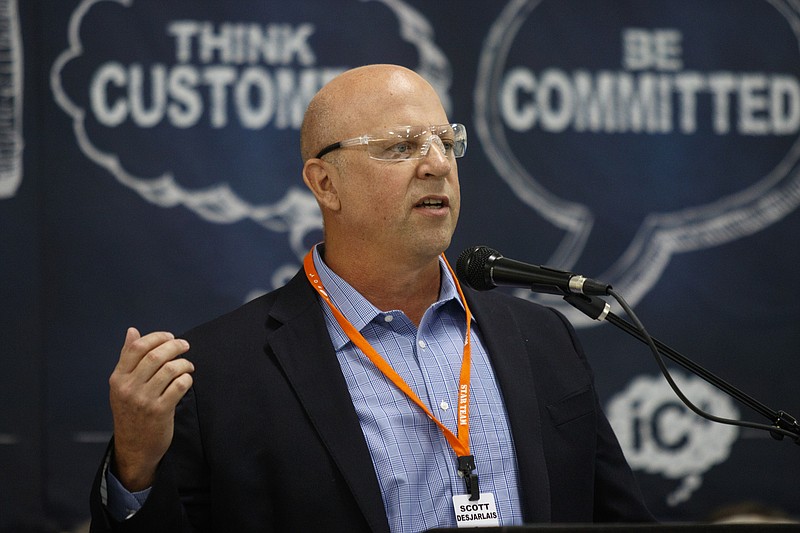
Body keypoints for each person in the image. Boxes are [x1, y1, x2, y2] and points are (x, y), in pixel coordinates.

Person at [89, 64, 653, 532]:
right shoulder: (219, 373)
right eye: (402, 147)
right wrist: (136, 467)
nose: (436, 164)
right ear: (324, 183)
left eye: (446, 141)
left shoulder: (543, 340)